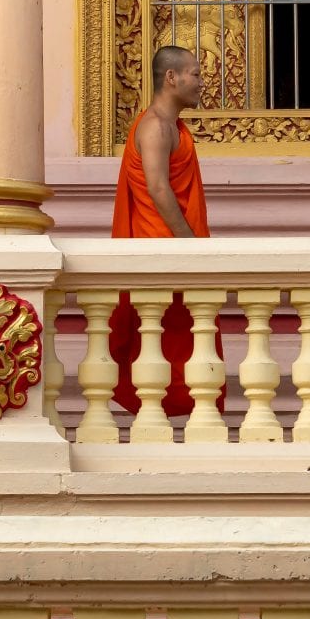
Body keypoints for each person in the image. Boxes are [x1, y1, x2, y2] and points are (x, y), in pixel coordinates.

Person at [109, 46, 215, 420]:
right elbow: (158, 189)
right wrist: (191, 246)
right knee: (163, 344)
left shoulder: (173, 127)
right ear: (171, 78)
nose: (202, 82)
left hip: (173, 249)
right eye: (196, 74)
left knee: (184, 344)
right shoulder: (154, 126)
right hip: (162, 253)